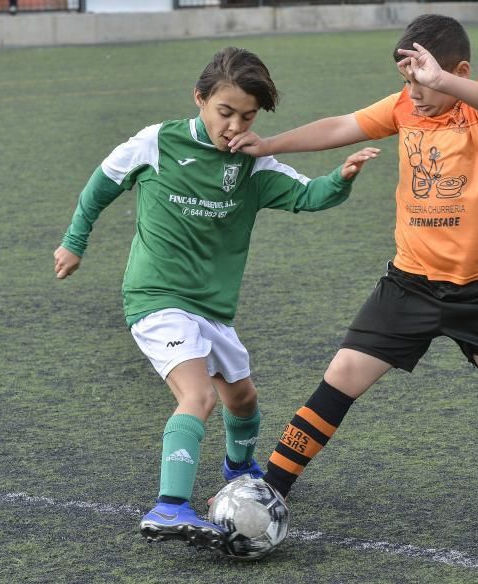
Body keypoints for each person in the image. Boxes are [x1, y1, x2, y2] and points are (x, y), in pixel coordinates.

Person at [228, 15, 478, 516]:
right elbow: (342, 125)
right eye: (407, 80)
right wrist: (270, 144)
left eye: (422, 79)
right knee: (342, 375)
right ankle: (269, 490)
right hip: (410, 284)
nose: (414, 92)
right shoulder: (405, 107)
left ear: (459, 72)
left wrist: (442, 82)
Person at [53, 46, 379, 551]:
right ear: (200, 99)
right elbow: (102, 186)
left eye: (247, 116)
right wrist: (74, 242)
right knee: (198, 396)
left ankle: (240, 473)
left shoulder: (254, 164)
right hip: (157, 299)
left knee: (243, 399)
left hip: (212, 308)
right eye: (225, 112)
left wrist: (342, 177)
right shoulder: (157, 143)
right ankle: (169, 506)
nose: (234, 125)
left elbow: (309, 196)